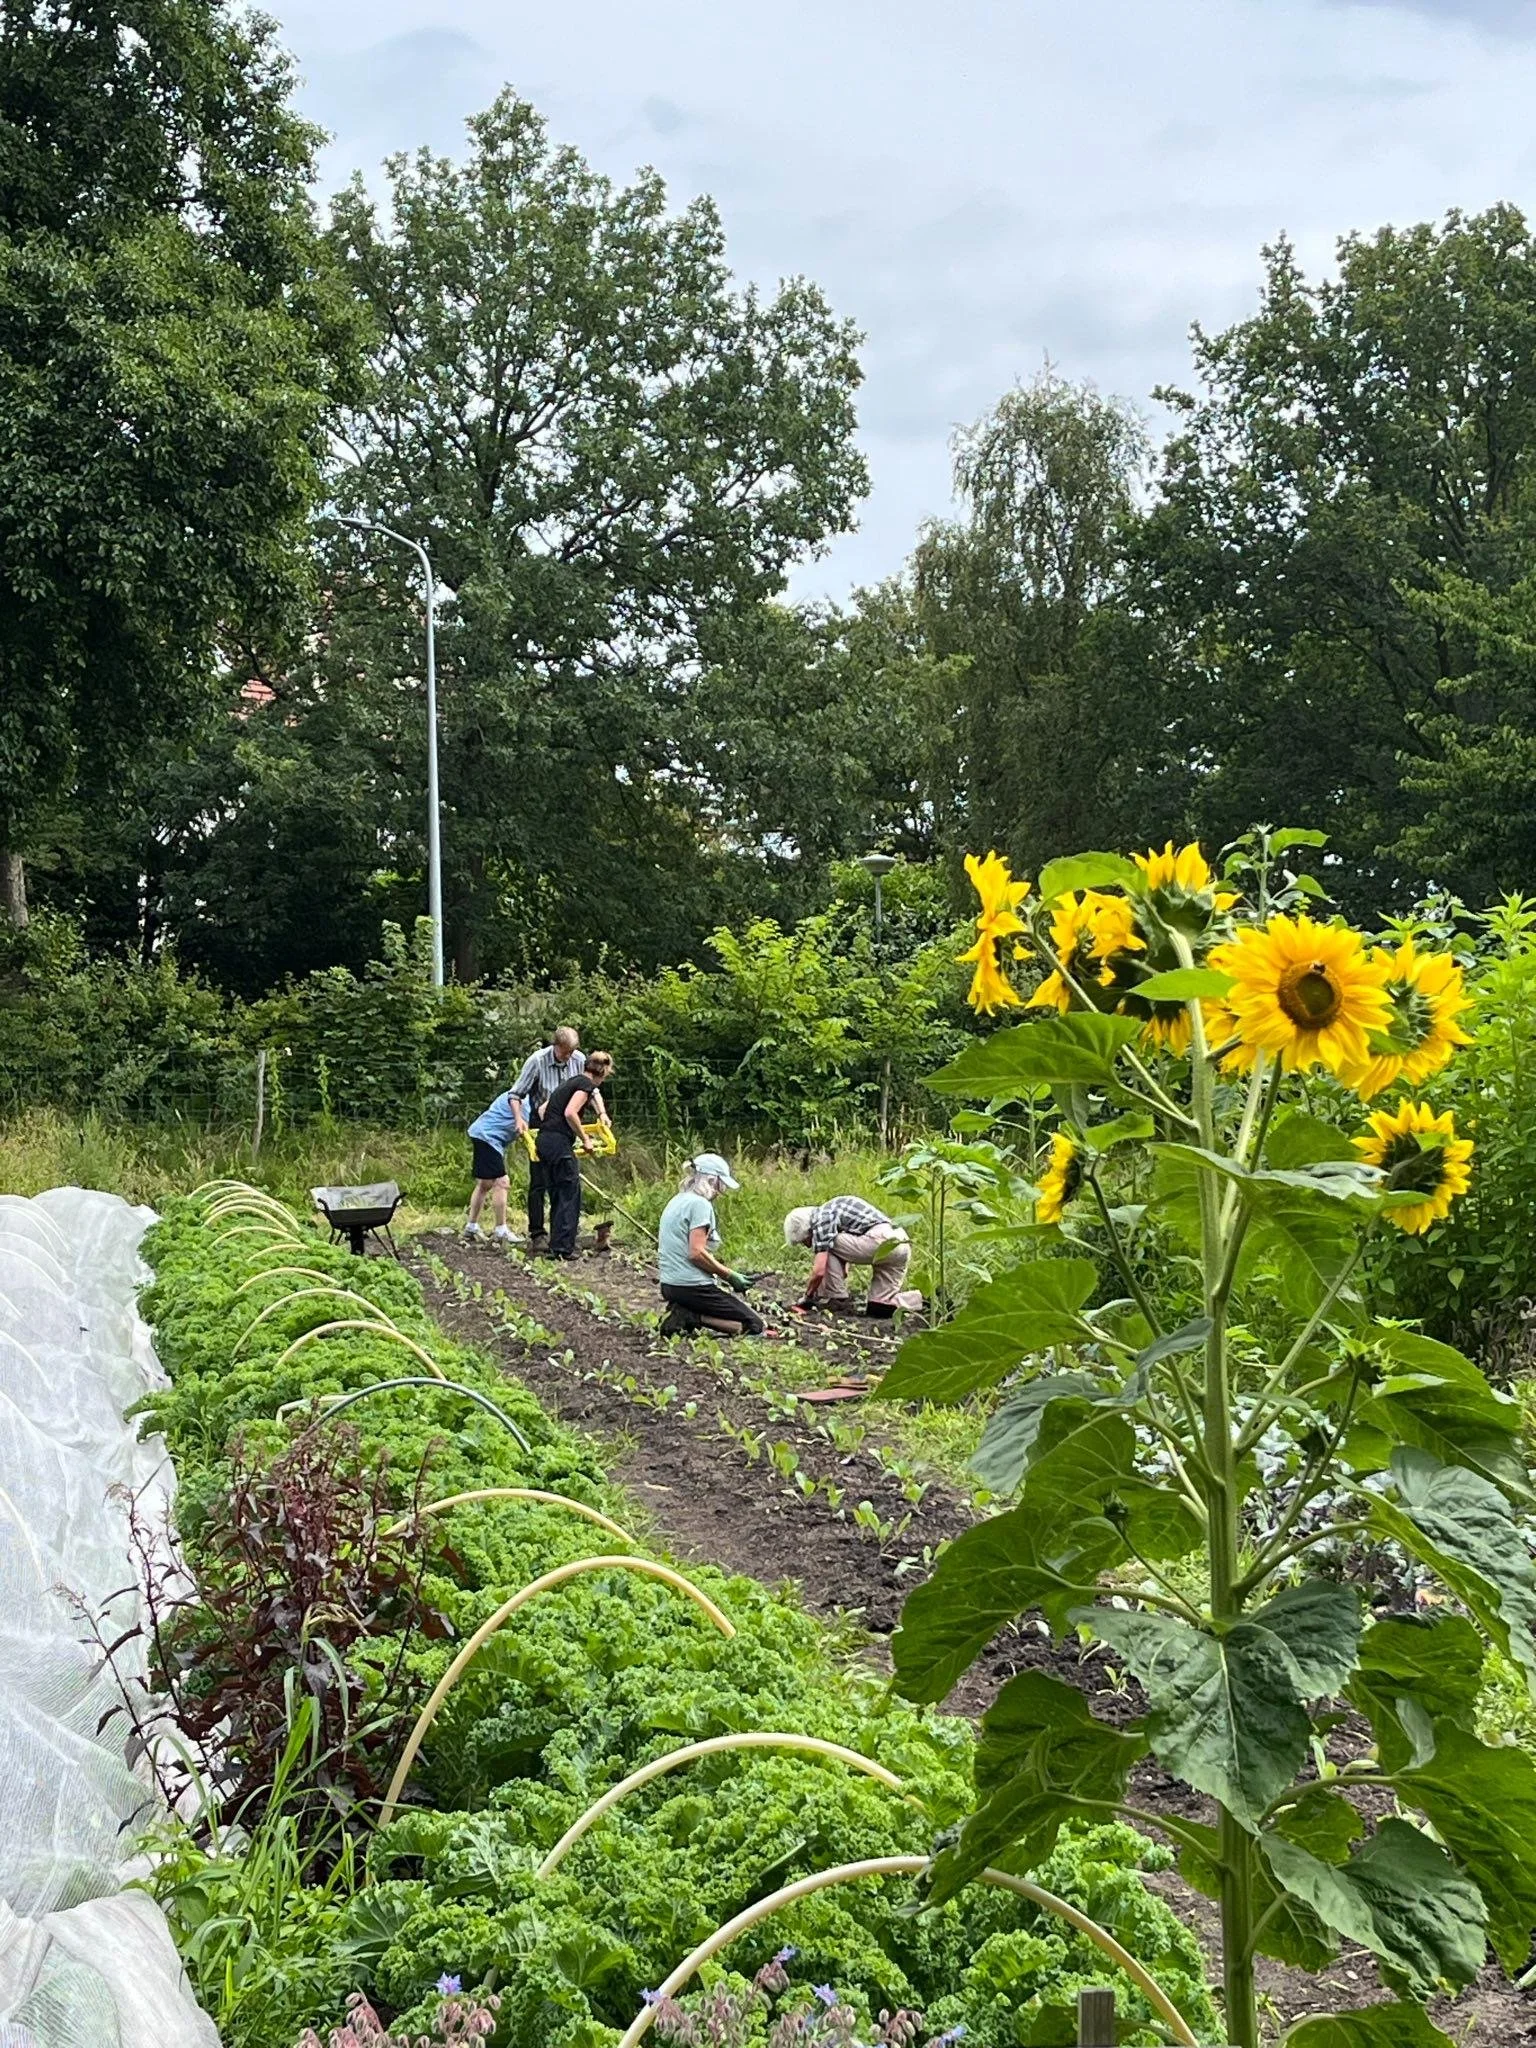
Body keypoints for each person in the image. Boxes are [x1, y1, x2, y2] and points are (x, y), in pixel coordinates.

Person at [510, 1026, 608, 1252]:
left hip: (564, 1129)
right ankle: (539, 1234)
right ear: (555, 1046)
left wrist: (601, 1113)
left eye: (572, 1053)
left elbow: (591, 1091)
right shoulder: (537, 1061)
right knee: (541, 1182)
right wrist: (519, 1120)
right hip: (545, 1123)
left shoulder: (580, 1060)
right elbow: (516, 1094)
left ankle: (562, 1236)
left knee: (561, 1184)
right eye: (564, 1053)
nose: (568, 1058)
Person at [656, 1154, 766, 1338]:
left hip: (669, 1284)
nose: (720, 1192)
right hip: (692, 1286)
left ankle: (683, 1310)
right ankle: (692, 1316)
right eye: (720, 1186)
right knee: (754, 1325)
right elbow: (696, 1253)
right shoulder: (700, 1205)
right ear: (712, 1181)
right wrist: (729, 1275)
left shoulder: (677, 1200)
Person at [783, 1195, 918, 1318]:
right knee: (879, 1308)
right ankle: (925, 1300)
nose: (807, 1246)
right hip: (901, 1242)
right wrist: (842, 1270)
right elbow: (850, 1244)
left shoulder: (821, 1219)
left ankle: (835, 1297)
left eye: (804, 1241)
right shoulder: (831, 1213)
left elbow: (819, 1271)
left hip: (882, 1239)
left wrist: (807, 1297)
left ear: (806, 1229)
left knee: (826, 1245)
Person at [535, 1052, 614, 1258]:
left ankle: (556, 1246)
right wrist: (585, 1139)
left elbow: (543, 1109)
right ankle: (563, 1249)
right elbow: (570, 1112)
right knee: (570, 1194)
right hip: (559, 1143)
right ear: (603, 1072)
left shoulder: (569, 1082)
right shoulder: (586, 1085)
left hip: (544, 1141)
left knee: (556, 1194)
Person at [464, 1085, 521, 1242]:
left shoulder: (516, 1093)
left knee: (485, 1183)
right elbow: (525, 1126)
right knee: (502, 1182)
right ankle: (501, 1230)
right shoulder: (525, 1099)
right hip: (489, 1137)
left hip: (483, 1134)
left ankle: (471, 1226)